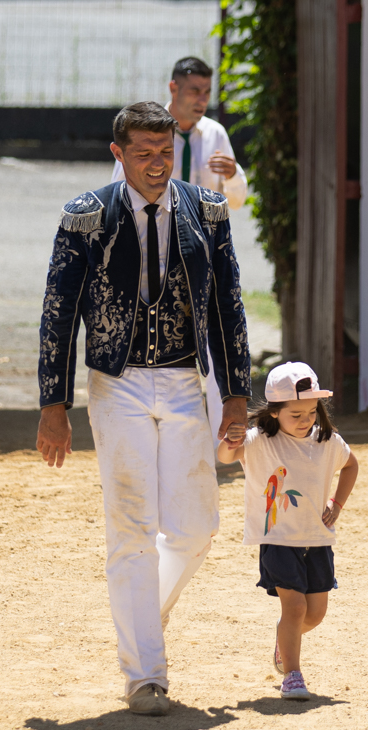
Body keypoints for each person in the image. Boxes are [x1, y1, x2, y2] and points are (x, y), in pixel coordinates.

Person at [36, 101, 251, 715]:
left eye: (164, 152)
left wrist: (236, 393)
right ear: (118, 154)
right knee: (130, 527)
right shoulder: (85, 216)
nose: (156, 165)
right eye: (143, 154)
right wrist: (54, 403)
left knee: (196, 528)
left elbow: (228, 306)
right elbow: (58, 312)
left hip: (187, 378)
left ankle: (138, 619)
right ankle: (145, 673)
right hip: (117, 380)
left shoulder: (206, 210)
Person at [110, 56, 248, 446]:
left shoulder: (215, 133)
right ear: (173, 89)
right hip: (156, 248)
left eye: (207, 92)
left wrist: (234, 174)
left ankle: (226, 439)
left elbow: (235, 199)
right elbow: (122, 190)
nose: (201, 99)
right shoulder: (148, 129)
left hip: (201, 252)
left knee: (215, 335)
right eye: (193, 91)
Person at [217, 362, 358, 700]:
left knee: (316, 614)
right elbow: (225, 456)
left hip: (317, 540)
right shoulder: (259, 440)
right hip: (278, 540)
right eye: (295, 413)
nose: (306, 419)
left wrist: (337, 505)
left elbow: (352, 465)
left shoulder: (328, 441)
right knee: (294, 609)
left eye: (311, 411)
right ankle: (293, 675)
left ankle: (285, 640)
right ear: (275, 411)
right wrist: (229, 437)